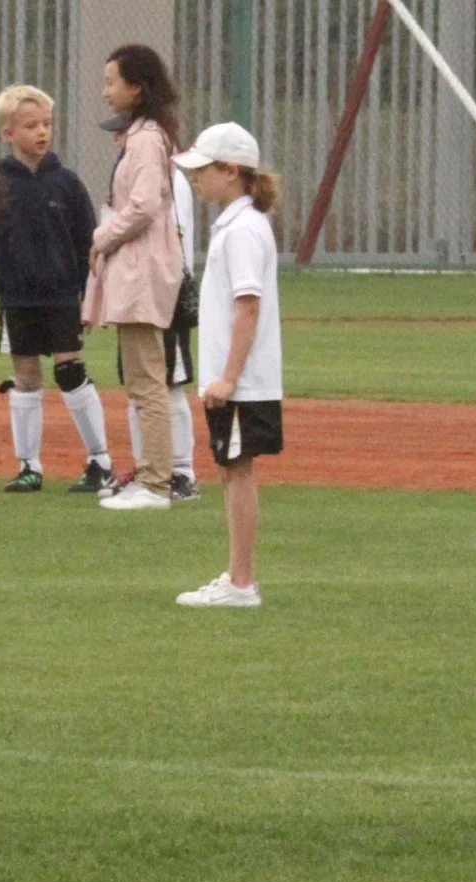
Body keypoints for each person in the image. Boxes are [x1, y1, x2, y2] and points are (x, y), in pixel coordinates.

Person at [173, 124, 285, 609]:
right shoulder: (237, 225)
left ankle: (241, 582)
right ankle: (238, 577)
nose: (196, 179)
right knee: (231, 470)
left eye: (204, 170)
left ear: (231, 171)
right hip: (235, 379)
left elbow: (248, 306)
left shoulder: (242, 230)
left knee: (237, 471)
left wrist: (229, 377)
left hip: (240, 381)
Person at [0, 84, 109, 496]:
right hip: (17, 297)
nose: (41, 132)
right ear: (8, 132)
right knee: (25, 377)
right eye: (30, 126)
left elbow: (87, 244)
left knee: (70, 370)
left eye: (46, 124)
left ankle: (100, 461)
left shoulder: (67, 184)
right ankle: (29, 467)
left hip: (61, 296)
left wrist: (88, 295)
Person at [83, 43, 185, 512]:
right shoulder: (145, 135)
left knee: (147, 381)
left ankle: (157, 481)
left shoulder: (145, 139)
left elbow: (143, 206)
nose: (105, 91)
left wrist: (103, 237)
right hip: (138, 269)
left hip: (142, 271)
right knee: (146, 379)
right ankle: (151, 476)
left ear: (136, 88)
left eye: (112, 82)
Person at [124, 161, 201, 501]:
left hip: (164, 290)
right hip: (134, 290)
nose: (119, 139)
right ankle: (148, 469)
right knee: (139, 383)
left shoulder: (168, 177)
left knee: (169, 381)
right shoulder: (132, 171)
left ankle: (181, 472)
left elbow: (175, 237)